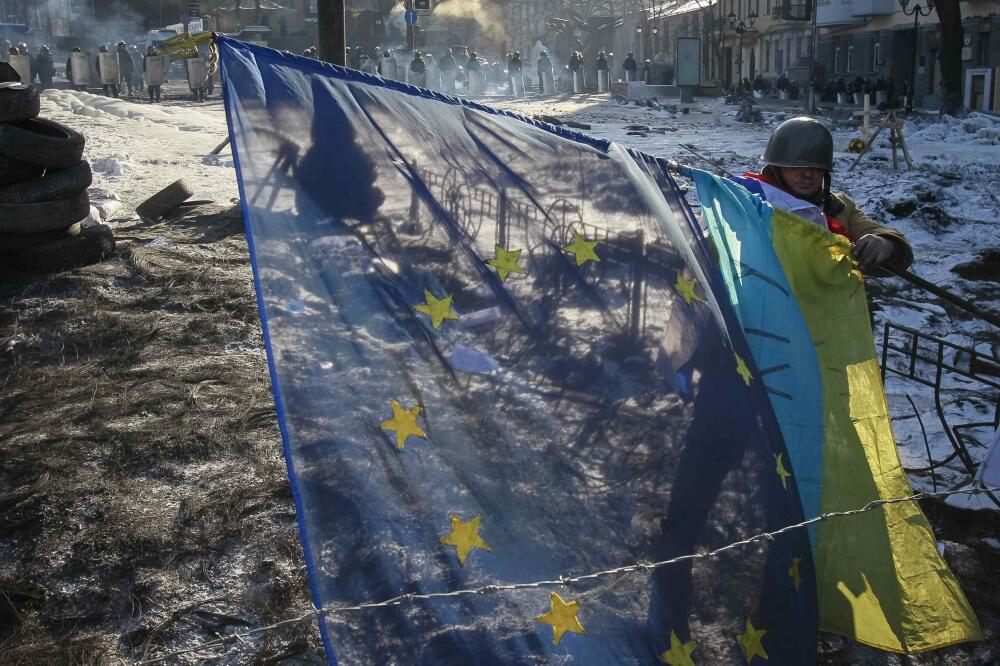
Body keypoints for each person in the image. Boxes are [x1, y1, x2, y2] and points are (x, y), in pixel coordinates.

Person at [736, 117, 912, 273]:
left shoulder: (839, 207)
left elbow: (878, 234)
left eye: (816, 168)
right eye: (796, 167)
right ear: (777, 168)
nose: (808, 175)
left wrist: (886, 244)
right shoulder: (749, 202)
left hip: (829, 306)